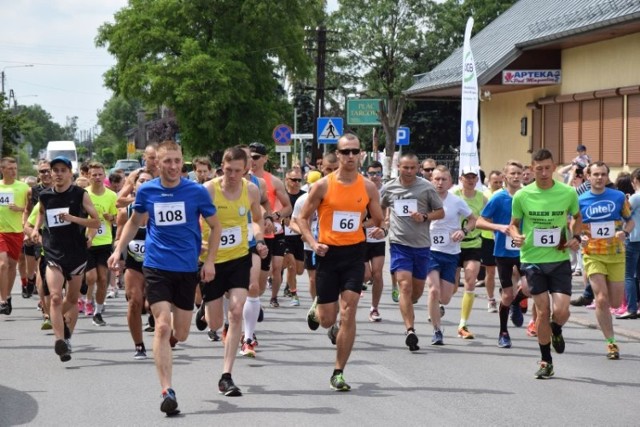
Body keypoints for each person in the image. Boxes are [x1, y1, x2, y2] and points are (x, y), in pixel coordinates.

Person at [107, 140, 221, 416]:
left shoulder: (196, 192)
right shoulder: (147, 190)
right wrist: (118, 250)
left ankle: (168, 343)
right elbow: (135, 221)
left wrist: (209, 262)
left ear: (184, 162)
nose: (172, 166)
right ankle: (167, 390)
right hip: (156, 266)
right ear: (157, 163)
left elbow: (216, 227)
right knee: (161, 326)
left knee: (179, 333)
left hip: (186, 269)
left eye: (177, 161)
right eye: (166, 161)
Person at [298, 134, 384, 391]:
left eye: (354, 151)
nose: (349, 156)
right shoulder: (323, 186)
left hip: (354, 254)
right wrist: (313, 244)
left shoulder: (368, 187)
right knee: (327, 320)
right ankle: (320, 308)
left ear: (361, 155)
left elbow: (378, 220)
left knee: (349, 312)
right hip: (328, 254)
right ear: (337, 155)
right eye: (344, 152)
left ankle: (338, 372)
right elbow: (302, 219)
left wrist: (376, 228)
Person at [198, 146, 267, 395]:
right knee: (215, 322)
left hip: (239, 257)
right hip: (211, 260)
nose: (233, 175)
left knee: (236, 311)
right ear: (222, 167)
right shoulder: (207, 190)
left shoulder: (250, 189)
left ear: (246, 169)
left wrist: (258, 239)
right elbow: (193, 221)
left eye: (238, 170)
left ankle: (226, 375)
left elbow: (257, 220)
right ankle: (204, 311)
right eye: (228, 170)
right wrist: (200, 243)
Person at [509, 148, 582, 379]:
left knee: (561, 311)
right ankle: (546, 361)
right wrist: (515, 235)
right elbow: (513, 224)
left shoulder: (568, 192)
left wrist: (575, 237)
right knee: (543, 310)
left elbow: (577, 218)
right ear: (532, 169)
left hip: (559, 259)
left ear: (554, 167)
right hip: (532, 260)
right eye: (538, 169)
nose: (543, 172)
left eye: (547, 168)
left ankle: (557, 329)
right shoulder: (522, 195)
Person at [31, 156, 101, 361]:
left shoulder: (80, 194)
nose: (58, 174)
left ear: (71, 173)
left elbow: (96, 222)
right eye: (55, 170)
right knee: (54, 297)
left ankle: (65, 332)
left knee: (72, 299)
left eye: (63, 170)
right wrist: (36, 230)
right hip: (53, 251)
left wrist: (73, 219)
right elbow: (41, 215)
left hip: (76, 252)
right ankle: (59, 340)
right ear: (50, 174)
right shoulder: (44, 196)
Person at [380, 153, 444, 351]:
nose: (408, 171)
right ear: (398, 167)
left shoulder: (426, 187)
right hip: (399, 244)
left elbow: (440, 212)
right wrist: (383, 224)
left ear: (417, 168)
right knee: (405, 286)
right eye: (405, 167)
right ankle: (410, 330)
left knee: (415, 292)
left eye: (412, 168)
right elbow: (379, 207)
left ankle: (409, 306)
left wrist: (424, 216)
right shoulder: (389, 188)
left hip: (422, 246)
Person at [577, 162, 633, 359]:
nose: (599, 178)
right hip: (593, 253)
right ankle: (611, 343)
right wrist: (579, 236)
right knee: (601, 298)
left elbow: (630, 220)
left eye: (603, 174)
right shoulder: (580, 199)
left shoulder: (618, 197)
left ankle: (607, 318)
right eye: (595, 174)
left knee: (615, 302)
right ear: (588, 177)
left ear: (607, 177)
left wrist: (624, 232)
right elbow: (572, 222)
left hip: (616, 254)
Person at [477, 161, 530, 348]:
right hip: (503, 251)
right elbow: (480, 222)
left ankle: (517, 303)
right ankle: (503, 332)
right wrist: (498, 227)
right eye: (512, 173)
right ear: (505, 177)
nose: (516, 176)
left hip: (526, 250)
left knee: (529, 287)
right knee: (506, 295)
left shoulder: (528, 196)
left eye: (519, 173)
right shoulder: (498, 198)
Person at [427, 166, 474, 345]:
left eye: (443, 179)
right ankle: (437, 331)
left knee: (445, 297)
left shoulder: (456, 201)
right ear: (432, 180)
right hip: (430, 251)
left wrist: (463, 231)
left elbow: (473, 220)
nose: (440, 183)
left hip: (451, 252)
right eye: (437, 179)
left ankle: (436, 308)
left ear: (450, 181)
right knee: (433, 290)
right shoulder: (425, 198)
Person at [115, 169, 154, 359]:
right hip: (134, 264)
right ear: (135, 185)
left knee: (154, 304)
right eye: (141, 180)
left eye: (149, 180)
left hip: (158, 263)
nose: (145, 183)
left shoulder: (160, 209)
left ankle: (165, 331)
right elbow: (119, 237)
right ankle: (139, 345)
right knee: (134, 302)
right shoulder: (126, 212)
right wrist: (117, 256)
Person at [249, 142, 292, 308]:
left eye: (256, 157)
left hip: (269, 231)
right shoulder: (239, 179)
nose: (252, 161)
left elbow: (288, 207)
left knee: (272, 270)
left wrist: (274, 216)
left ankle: (264, 298)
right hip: (249, 232)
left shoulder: (273, 181)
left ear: (265, 158)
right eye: (249, 157)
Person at [453, 167, 487, 339]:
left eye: (474, 177)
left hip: (473, 244)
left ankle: (463, 323)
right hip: (452, 245)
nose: (471, 180)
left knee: (471, 280)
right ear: (461, 178)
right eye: (468, 177)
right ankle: (439, 303)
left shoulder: (482, 198)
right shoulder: (454, 195)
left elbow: (488, 218)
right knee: (451, 288)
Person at [84, 162, 118, 326]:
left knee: (103, 279)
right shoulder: (83, 194)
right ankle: (87, 299)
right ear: (88, 176)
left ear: (104, 176)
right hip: (86, 243)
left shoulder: (111, 195)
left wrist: (110, 217)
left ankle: (97, 312)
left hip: (104, 241)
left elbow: (117, 218)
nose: (97, 177)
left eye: (100, 174)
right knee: (91, 277)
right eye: (94, 175)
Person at [0, 157, 30, 314]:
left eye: (15, 168)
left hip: (16, 231)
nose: (13, 171)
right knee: (3, 264)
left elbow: (30, 208)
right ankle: (2, 299)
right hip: (0, 231)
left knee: (12, 266)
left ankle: (7, 295)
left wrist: (20, 208)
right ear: (2, 169)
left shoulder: (24, 187)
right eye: (9, 168)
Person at [363, 161, 386, 321]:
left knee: (377, 275)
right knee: (366, 275)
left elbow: (384, 217)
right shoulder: (360, 189)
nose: (375, 176)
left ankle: (374, 308)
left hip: (377, 238)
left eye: (378, 173)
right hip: (361, 239)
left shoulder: (385, 192)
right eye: (372, 173)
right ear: (367, 174)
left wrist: (383, 227)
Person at [281, 168, 306, 306]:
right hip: (284, 236)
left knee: (299, 270)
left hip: (299, 237)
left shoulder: (305, 196)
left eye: (299, 180)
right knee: (291, 265)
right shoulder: (282, 196)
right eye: (293, 180)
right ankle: (294, 295)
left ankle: (287, 283)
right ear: (286, 180)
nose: (296, 183)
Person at [618, 168, 640, 319]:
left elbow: (624, 213)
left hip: (633, 238)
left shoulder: (636, 197)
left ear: (635, 181)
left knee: (628, 275)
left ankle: (631, 308)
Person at [481, 170, 504, 313]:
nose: (498, 184)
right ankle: (491, 299)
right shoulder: (485, 195)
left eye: (500, 182)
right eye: (495, 181)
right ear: (489, 182)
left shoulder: (506, 194)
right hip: (488, 237)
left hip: (503, 238)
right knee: (490, 271)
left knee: (509, 270)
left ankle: (506, 293)